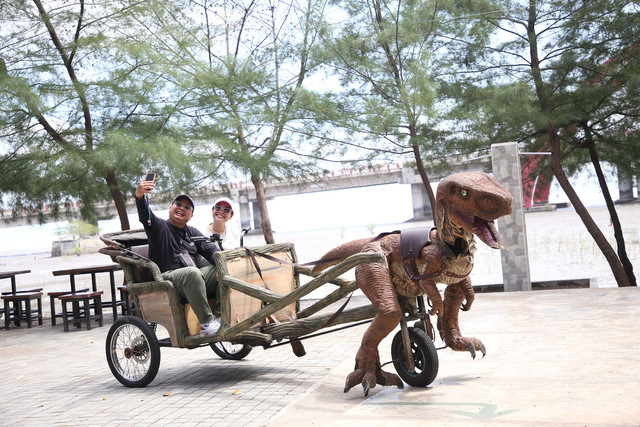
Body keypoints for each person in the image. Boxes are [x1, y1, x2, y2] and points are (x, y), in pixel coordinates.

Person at [135, 178, 221, 335]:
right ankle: (207, 322)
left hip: (192, 281)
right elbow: (145, 216)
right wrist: (140, 197)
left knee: (221, 268)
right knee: (192, 272)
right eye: (178, 204)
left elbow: (210, 249)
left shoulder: (192, 232)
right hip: (165, 279)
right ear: (170, 207)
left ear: (191, 215)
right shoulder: (159, 226)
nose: (182, 208)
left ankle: (222, 317)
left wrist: (221, 264)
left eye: (187, 207)